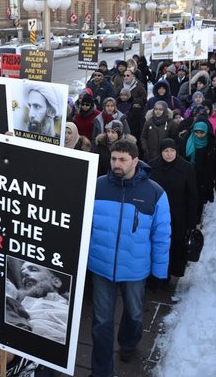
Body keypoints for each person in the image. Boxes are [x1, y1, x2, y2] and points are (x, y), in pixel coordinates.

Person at [88, 139, 171, 377]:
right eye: (114, 158)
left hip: (135, 268)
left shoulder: (154, 192)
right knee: (101, 321)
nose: (117, 163)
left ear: (135, 160)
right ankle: (101, 371)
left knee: (134, 313)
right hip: (101, 265)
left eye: (122, 159)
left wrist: (159, 271)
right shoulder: (97, 186)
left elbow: (162, 233)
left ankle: (128, 342)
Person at [148, 139, 198, 278]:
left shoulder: (186, 168)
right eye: (165, 151)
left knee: (175, 245)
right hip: (156, 214)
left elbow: (192, 196)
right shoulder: (152, 166)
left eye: (172, 151)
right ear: (161, 152)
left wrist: (192, 221)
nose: (169, 154)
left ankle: (170, 273)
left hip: (178, 215)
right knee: (157, 244)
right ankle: (155, 275)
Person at [5, 261, 69, 344]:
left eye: (33, 269)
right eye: (22, 275)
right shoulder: (16, 302)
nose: (24, 273)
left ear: (56, 282)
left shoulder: (72, 307)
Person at [178, 121, 216, 226]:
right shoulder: (185, 142)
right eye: (196, 132)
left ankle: (196, 224)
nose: (199, 135)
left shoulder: (212, 144)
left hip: (203, 179)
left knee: (199, 202)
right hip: (187, 178)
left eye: (202, 133)